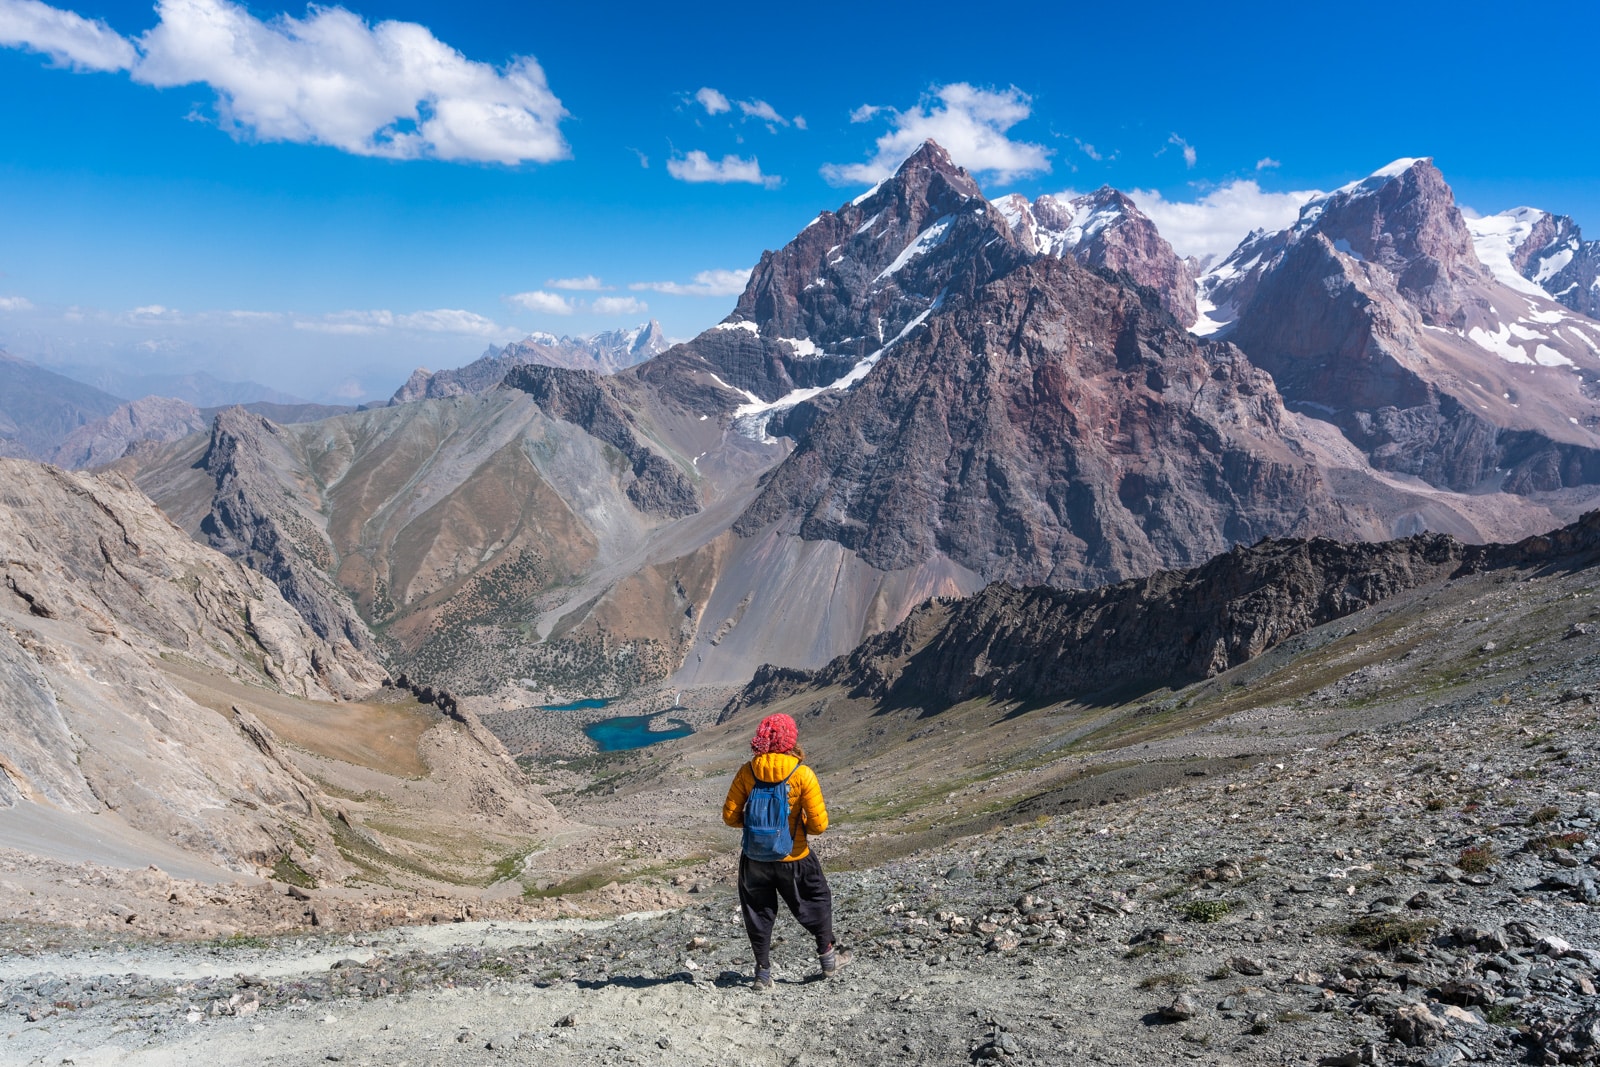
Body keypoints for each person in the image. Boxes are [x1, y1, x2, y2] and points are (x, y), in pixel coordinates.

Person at [721, 713, 846, 989]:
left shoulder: (747, 771)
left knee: (758, 911)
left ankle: (762, 974)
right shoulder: (802, 774)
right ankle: (827, 959)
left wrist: (754, 826)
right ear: (791, 739)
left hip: (754, 858)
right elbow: (819, 826)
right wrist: (794, 826)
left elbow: (729, 816)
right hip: (796, 857)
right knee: (816, 899)